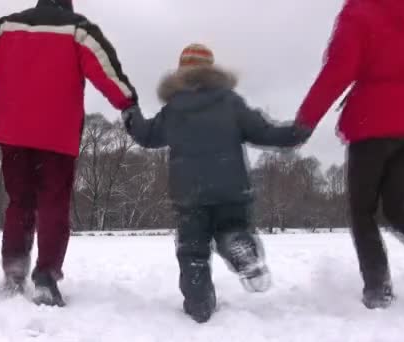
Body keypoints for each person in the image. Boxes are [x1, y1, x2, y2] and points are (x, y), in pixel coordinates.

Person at [0, 0, 138, 307]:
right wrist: (128, 104)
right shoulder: (77, 29)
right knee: (53, 204)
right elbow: (104, 68)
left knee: (20, 201)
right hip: (57, 135)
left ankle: (15, 269)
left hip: (14, 132)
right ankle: (45, 277)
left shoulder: (6, 27)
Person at [294, 0, 404, 309]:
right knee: (396, 207)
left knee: (363, 211)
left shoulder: (357, 14)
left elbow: (339, 69)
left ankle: (378, 288)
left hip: (370, 123)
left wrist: (306, 119)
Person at [122, 43, 310, 322]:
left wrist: (131, 114)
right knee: (231, 228)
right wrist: (294, 133)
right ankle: (238, 242)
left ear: (182, 72)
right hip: (231, 188)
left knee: (193, 251)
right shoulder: (230, 101)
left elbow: (148, 136)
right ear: (211, 70)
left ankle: (200, 304)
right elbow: (263, 132)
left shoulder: (174, 108)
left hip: (189, 194)